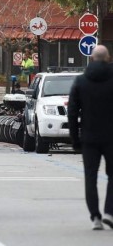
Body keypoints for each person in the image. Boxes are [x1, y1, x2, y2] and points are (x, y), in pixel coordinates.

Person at [68, 44, 113, 230]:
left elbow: (71, 112)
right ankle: (110, 212)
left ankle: (95, 216)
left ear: (92, 58)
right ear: (108, 58)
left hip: (89, 138)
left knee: (90, 176)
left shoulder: (80, 81)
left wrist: (74, 139)